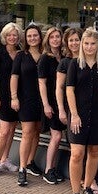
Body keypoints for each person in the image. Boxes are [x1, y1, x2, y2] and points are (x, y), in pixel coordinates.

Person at [66, 28, 98, 194]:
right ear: (82, 45)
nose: (89, 47)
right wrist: (74, 114)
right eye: (86, 43)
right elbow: (69, 90)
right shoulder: (74, 64)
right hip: (79, 115)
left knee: (94, 151)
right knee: (77, 154)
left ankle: (87, 187)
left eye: (93, 44)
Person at [10, 24, 43, 186]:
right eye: (29, 36)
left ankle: (30, 162)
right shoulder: (21, 56)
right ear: (25, 39)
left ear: (40, 37)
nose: (32, 38)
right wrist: (14, 97)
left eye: (35, 35)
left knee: (37, 132)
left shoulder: (45, 55)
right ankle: (22, 168)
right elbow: (14, 77)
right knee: (27, 132)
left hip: (42, 101)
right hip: (25, 100)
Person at [0, 22, 21, 177]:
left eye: (15, 35)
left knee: (12, 129)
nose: (12, 38)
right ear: (4, 36)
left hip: (18, 96)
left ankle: (5, 160)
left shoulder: (20, 53)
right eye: (9, 35)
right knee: (4, 131)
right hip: (3, 96)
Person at [38, 26, 65, 184]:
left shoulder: (63, 57)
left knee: (58, 136)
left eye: (57, 36)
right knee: (56, 136)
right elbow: (41, 83)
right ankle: (48, 170)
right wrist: (46, 105)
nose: (55, 39)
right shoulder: (45, 59)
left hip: (62, 101)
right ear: (48, 40)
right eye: (52, 37)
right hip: (51, 102)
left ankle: (53, 168)